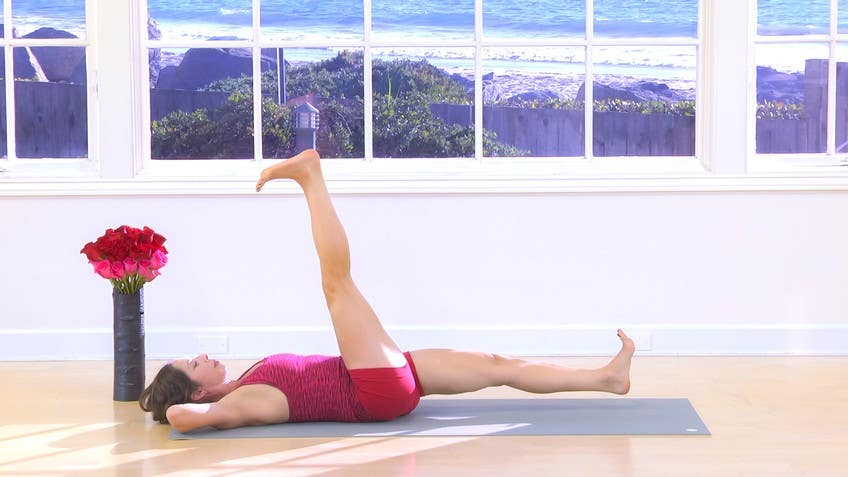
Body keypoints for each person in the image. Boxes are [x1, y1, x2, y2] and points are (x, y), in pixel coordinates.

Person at [139, 148, 635, 433]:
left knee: (497, 364)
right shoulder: (240, 403)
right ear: (199, 389)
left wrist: (155, 402)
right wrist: (179, 408)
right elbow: (183, 417)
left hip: (389, 378)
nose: (204, 355)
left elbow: (180, 406)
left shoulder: (243, 383)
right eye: (195, 363)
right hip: (372, 389)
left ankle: (604, 379)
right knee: (337, 284)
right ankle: (310, 177)